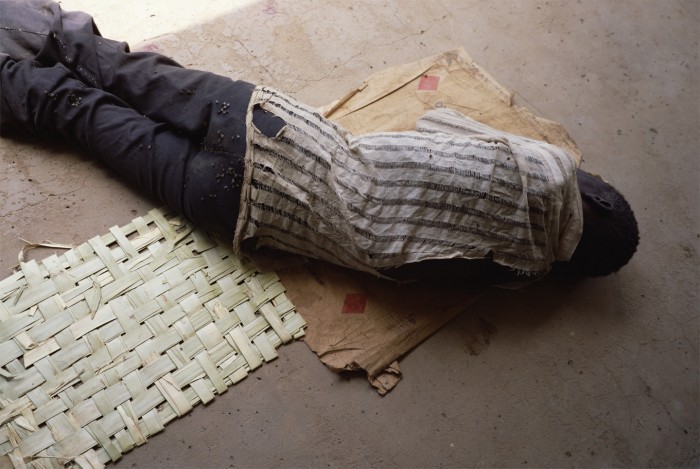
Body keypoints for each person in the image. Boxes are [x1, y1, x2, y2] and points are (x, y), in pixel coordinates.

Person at [0, 1, 639, 284]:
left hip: (268, 125)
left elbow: (436, 129)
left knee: (105, 60)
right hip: (241, 207)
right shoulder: (516, 272)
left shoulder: (540, 163)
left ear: (593, 195)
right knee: (78, 114)